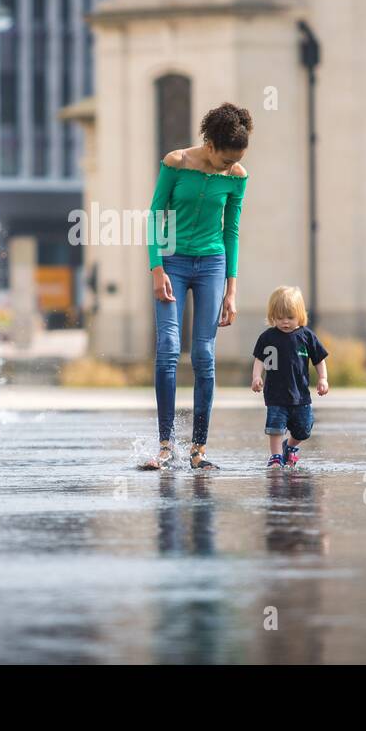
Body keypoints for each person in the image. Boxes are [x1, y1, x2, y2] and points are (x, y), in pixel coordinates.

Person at [141, 103, 252, 470]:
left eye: (235, 160)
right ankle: (165, 444)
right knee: (169, 346)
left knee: (204, 354)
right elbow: (156, 214)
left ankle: (199, 449)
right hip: (172, 261)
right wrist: (157, 269)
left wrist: (231, 289)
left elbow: (231, 231)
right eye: (224, 159)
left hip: (212, 264)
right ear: (210, 144)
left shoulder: (237, 176)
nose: (228, 167)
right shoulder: (176, 162)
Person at [251, 286, 329, 469]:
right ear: (272, 316)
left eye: (290, 318)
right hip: (275, 394)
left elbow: (319, 360)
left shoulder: (306, 336)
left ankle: (291, 447)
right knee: (275, 427)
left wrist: (323, 378)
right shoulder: (267, 337)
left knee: (304, 428)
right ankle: (276, 457)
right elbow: (259, 359)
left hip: (300, 394)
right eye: (279, 318)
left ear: (300, 315)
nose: (285, 322)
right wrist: (256, 377)